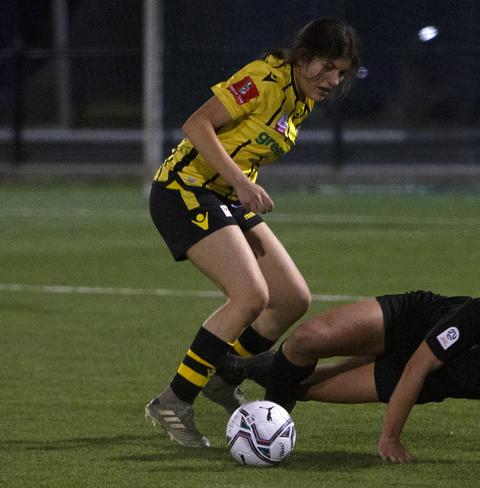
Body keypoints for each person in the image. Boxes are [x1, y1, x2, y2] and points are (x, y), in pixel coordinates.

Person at [144, 18, 361, 448]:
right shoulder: (264, 79)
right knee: (250, 296)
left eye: (341, 72)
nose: (333, 80)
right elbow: (197, 125)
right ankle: (174, 400)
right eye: (327, 67)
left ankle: (223, 378)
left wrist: (241, 183)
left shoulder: (302, 98)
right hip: (184, 190)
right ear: (303, 57)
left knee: (293, 298)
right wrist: (242, 183)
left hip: (224, 195)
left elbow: (246, 143)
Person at [224, 282, 480, 471]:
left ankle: (247, 375)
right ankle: (253, 394)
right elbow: (421, 361)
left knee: (304, 389)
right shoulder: (479, 316)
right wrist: (390, 437)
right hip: (408, 324)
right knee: (308, 339)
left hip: (414, 378)